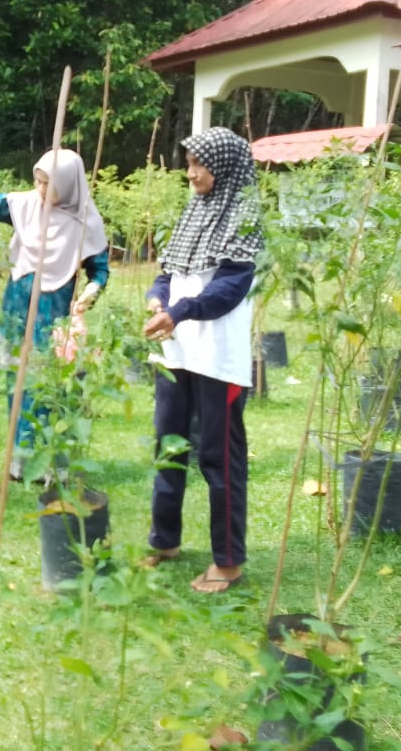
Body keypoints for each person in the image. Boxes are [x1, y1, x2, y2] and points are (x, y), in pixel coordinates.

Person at [141, 126, 264, 593]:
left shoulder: (245, 217)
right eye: (188, 164)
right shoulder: (194, 211)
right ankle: (164, 538)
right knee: (168, 444)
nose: (191, 173)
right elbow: (168, 272)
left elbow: (229, 288)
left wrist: (181, 311)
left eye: (200, 164)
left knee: (219, 457)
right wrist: (158, 300)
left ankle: (228, 562)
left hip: (217, 358)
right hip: (177, 350)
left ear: (226, 165)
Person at [0, 148, 109, 480]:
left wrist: (90, 293)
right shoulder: (26, 204)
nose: (41, 190)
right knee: (17, 386)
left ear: (67, 185)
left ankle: (51, 466)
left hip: (53, 314)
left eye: (49, 184)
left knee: (48, 388)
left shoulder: (84, 220)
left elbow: (99, 272)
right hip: (17, 306)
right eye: (38, 181)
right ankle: (19, 462)